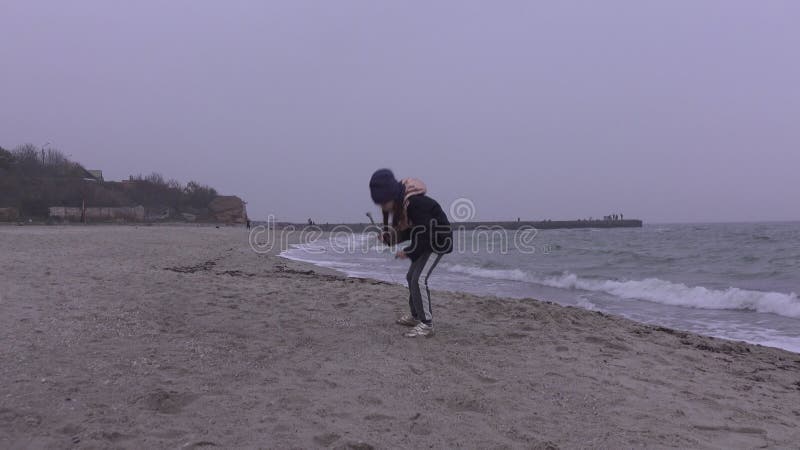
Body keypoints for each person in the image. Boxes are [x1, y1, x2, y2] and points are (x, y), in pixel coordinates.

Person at [369, 169, 452, 337]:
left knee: (419, 279)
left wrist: (408, 252)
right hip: (425, 241)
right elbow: (409, 232)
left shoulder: (415, 204)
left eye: (384, 203)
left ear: (392, 196)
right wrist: (390, 239)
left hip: (438, 242)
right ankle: (416, 316)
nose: (383, 207)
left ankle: (427, 324)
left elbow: (426, 234)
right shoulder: (404, 207)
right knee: (411, 277)